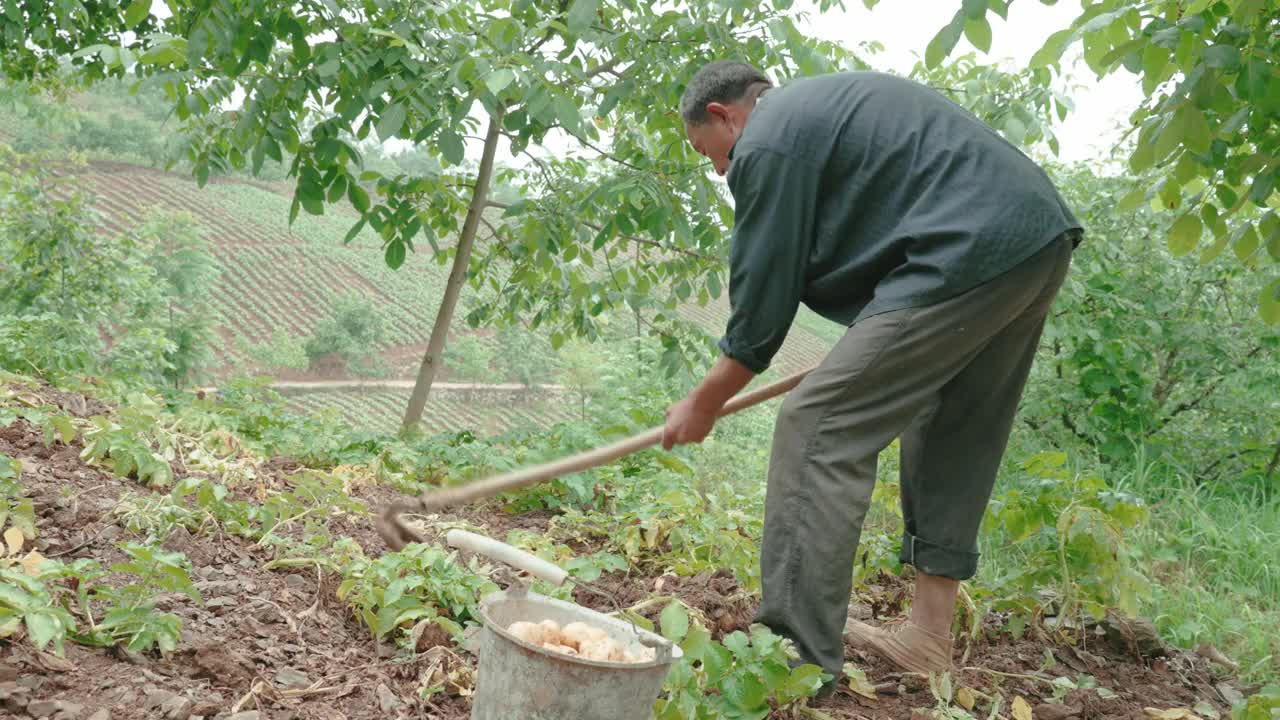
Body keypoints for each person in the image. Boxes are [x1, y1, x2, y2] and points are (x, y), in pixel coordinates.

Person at [661, 61, 1083, 691]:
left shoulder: (771, 136)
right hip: (1032, 238)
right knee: (956, 423)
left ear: (725, 115)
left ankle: (791, 663)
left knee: (817, 429)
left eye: (709, 152)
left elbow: (762, 301)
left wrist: (704, 400)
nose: (720, 170)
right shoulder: (823, 112)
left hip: (963, 248)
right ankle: (928, 638)